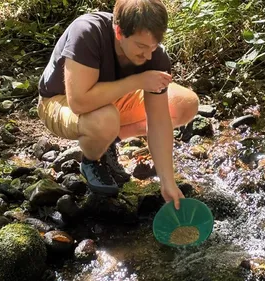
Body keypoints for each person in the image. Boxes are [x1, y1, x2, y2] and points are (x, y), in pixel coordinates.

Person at [37, 0, 199, 210]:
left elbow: (158, 121)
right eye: (141, 46)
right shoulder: (87, 32)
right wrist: (137, 82)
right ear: (119, 31)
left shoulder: (153, 53)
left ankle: (107, 141)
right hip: (59, 101)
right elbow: (79, 102)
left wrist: (167, 181)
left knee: (185, 104)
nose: (148, 55)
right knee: (105, 119)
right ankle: (92, 160)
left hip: (111, 100)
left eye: (154, 46)